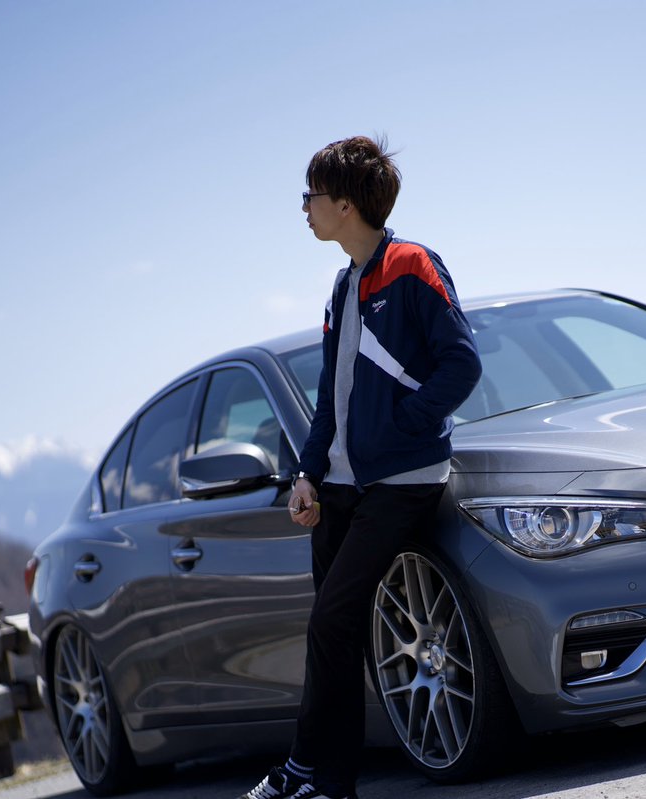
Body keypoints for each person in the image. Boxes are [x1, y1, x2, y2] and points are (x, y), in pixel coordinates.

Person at [239, 136, 482, 799]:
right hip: (343, 487)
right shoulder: (343, 286)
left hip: (401, 483)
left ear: (345, 204)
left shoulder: (412, 265)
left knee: (331, 622)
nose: (305, 209)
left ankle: (302, 768)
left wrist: (405, 428)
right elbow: (329, 400)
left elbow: (462, 362)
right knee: (334, 632)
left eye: (311, 196)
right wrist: (307, 474)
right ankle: (330, 783)